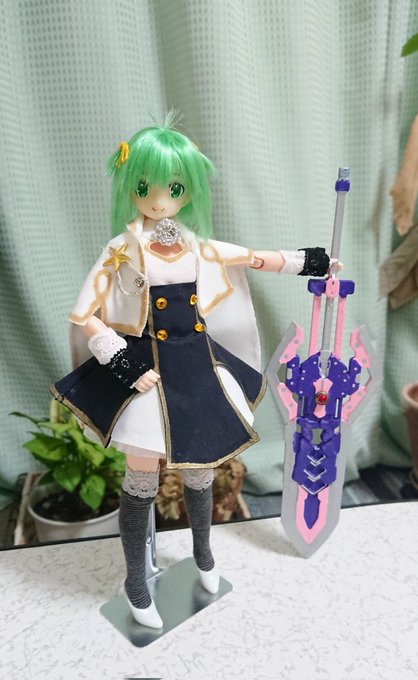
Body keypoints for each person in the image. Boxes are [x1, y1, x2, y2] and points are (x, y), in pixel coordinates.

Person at [51, 114, 332, 629]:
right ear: (130, 187)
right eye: (145, 187)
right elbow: (84, 313)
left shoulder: (195, 245)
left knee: (202, 464)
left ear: (188, 191)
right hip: (145, 370)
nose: (159, 200)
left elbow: (254, 258)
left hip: (197, 364)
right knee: (141, 474)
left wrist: (312, 262)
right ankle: (137, 580)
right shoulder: (121, 249)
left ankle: (204, 554)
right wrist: (119, 357)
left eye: (173, 188)